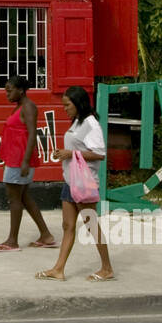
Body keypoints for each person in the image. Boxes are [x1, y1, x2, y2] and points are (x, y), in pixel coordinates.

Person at [36, 84, 114, 282]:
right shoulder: (78, 122)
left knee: (92, 226)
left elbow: (100, 154)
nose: (65, 108)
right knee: (67, 225)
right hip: (70, 180)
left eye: (67, 104)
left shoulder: (91, 124)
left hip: (83, 183)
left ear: (78, 103)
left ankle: (107, 268)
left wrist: (71, 153)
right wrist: (64, 154)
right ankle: (58, 269)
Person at [0, 76, 58, 252]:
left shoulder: (28, 107)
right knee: (24, 198)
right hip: (16, 159)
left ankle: (12, 241)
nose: (7, 94)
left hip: (19, 160)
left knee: (14, 199)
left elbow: (32, 134)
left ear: (20, 90)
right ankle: (46, 235)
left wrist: (25, 162)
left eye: (9, 90)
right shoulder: (20, 106)